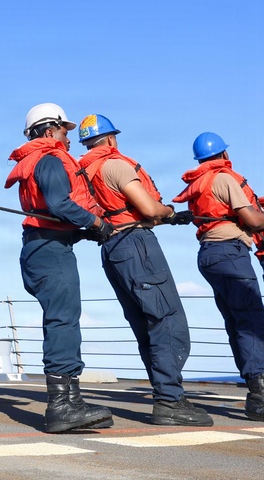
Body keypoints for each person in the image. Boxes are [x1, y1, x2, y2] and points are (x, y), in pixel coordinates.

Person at [77, 115, 211, 426]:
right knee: (166, 320)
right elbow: (149, 209)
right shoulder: (115, 165)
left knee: (145, 324)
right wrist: (170, 213)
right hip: (137, 245)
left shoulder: (83, 172)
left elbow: (109, 212)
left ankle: (168, 393)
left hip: (111, 249)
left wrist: (163, 218)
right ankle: (169, 401)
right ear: (111, 139)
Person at [4, 103, 114, 433]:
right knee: (63, 321)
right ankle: (62, 406)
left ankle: (71, 401)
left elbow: (48, 215)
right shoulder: (50, 159)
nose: (68, 138)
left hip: (45, 246)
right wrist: (95, 222)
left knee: (63, 319)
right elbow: (59, 204)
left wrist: (80, 232)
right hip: (50, 252)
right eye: (65, 131)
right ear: (50, 130)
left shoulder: (39, 160)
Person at [172, 132, 264, 421]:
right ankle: (259, 395)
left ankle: (254, 386)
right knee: (251, 321)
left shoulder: (199, 184)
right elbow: (253, 221)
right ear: (224, 154)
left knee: (236, 321)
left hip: (209, 255)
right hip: (231, 253)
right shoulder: (224, 178)